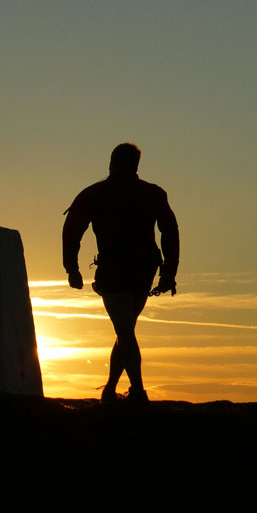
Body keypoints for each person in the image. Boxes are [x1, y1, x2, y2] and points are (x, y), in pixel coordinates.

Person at [62, 142, 179, 404]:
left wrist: (72, 269)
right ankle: (111, 390)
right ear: (136, 164)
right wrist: (168, 273)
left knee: (124, 331)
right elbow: (170, 233)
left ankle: (136, 391)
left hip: (116, 270)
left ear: (111, 162)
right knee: (125, 329)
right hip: (144, 269)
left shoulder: (94, 194)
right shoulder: (153, 193)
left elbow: (71, 231)